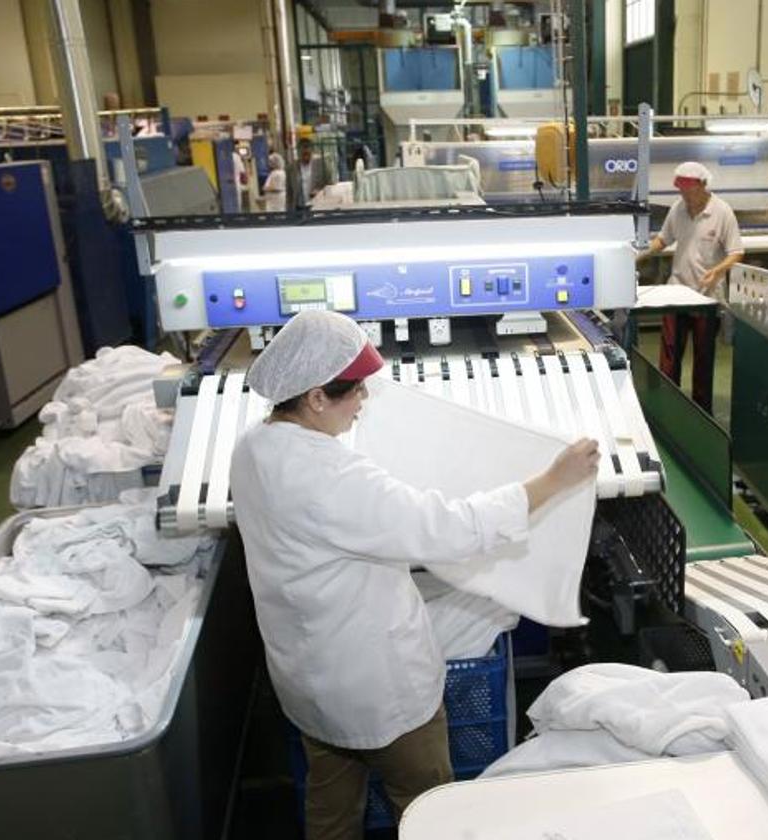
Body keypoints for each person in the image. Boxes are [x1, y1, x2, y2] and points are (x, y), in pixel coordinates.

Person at [230, 310, 599, 840]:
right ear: (314, 397)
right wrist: (552, 480)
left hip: (307, 682)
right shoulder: (332, 479)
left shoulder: (253, 445)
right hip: (379, 694)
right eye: (355, 392)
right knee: (430, 813)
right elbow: (453, 529)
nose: (364, 403)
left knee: (331, 808)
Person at [635, 161, 745, 414]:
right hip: (676, 293)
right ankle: (667, 405)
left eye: (689, 191)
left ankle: (700, 412)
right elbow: (665, 238)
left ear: (703, 186)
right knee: (670, 356)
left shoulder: (722, 212)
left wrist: (716, 272)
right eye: (681, 191)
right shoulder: (679, 209)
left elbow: (736, 252)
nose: (684, 196)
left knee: (703, 359)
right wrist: (640, 254)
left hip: (705, 298)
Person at [287, 143, 317, 209]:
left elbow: (328, 184)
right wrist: (289, 209)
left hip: (316, 205)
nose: (306, 157)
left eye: (308, 154)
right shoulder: (292, 168)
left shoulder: (319, 166)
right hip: (299, 206)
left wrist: (318, 192)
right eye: (303, 154)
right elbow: (289, 191)